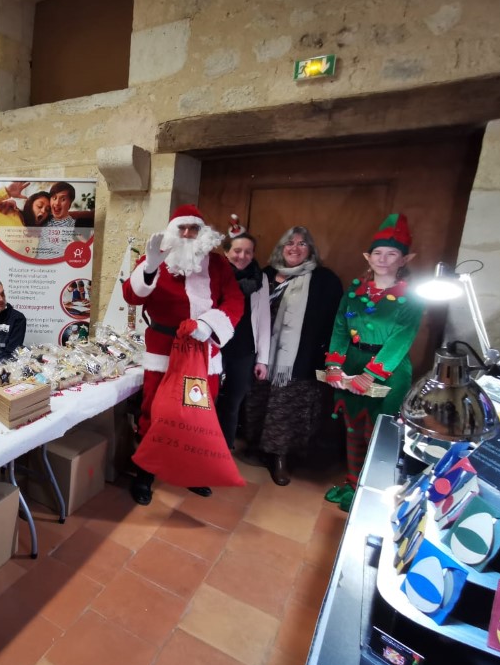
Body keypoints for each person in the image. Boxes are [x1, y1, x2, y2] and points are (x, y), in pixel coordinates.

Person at [122, 205, 244, 504]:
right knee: (154, 411)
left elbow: (235, 301)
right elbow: (131, 295)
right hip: (163, 352)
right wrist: (149, 268)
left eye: (194, 228)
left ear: (203, 233)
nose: (188, 234)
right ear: (172, 230)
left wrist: (208, 324)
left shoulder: (217, 264)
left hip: (203, 354)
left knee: (197, 414)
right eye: (182, 228)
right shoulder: (154, 258)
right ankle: (144, 474)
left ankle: (191, 471)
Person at [324, 215, 423, 511]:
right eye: (378, 253)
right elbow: (340, 329)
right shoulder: (354, 293)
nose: (383, 259)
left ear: (404, 259)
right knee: (352, 430)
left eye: (391, 254)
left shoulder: (412, 298)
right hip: (350, 365)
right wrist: (334, 366)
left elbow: (401, 340)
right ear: (369, 257)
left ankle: (372, 490)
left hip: (388, 373)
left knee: (378, 434)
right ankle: (353, 484)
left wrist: (369, 376)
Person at [242, 226, 343, 486]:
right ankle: (258, 448)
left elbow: (333, 323)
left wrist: (325, 357)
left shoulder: (324, 280)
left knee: (285, 411)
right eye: (289, 243)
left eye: (302, 244)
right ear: (280, 247)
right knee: (258, 404)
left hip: (298, 360)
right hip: (262, 355)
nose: (294, 248)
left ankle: (280, 459)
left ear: (310, 250)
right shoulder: (264, 275)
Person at [215, 231, 270, 450]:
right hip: (216, 347)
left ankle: (224, 448)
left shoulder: (260, 278)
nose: (242, 256)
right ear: (226, 252)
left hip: (244, 348)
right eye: (237, 250)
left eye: (248, 251)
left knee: (233, 401)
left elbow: (264, 318)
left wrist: (262, 359)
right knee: (208, 398)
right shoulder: (215, 275)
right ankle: (204, 445)